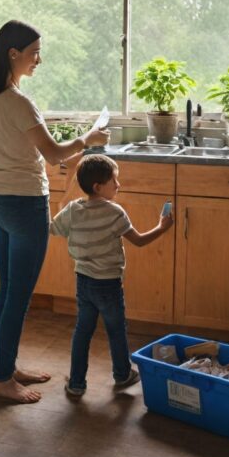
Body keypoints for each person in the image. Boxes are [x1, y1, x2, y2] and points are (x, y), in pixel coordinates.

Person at [0, 20, 110, 404]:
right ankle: (1, 380)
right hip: (23, 205)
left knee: (8, 293)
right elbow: (53, 156)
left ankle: (6, 366)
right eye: (34, 52)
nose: (39, 59)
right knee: (17, 296)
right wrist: (90, 139)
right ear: (13, 54)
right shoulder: (20, 102)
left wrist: (10, 148)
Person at [50, 154, 173, 396]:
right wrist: (161, 227)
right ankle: (122, 374)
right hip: (108, 284)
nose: (119, 185)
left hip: (83, 282)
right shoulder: (115, 212)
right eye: (114, 180)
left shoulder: (73, 210)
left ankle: (76, 384)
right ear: (98, 187)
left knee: (82, 331)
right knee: (116, 329)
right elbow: (138, 241)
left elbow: (53, 228)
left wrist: (62, 196)